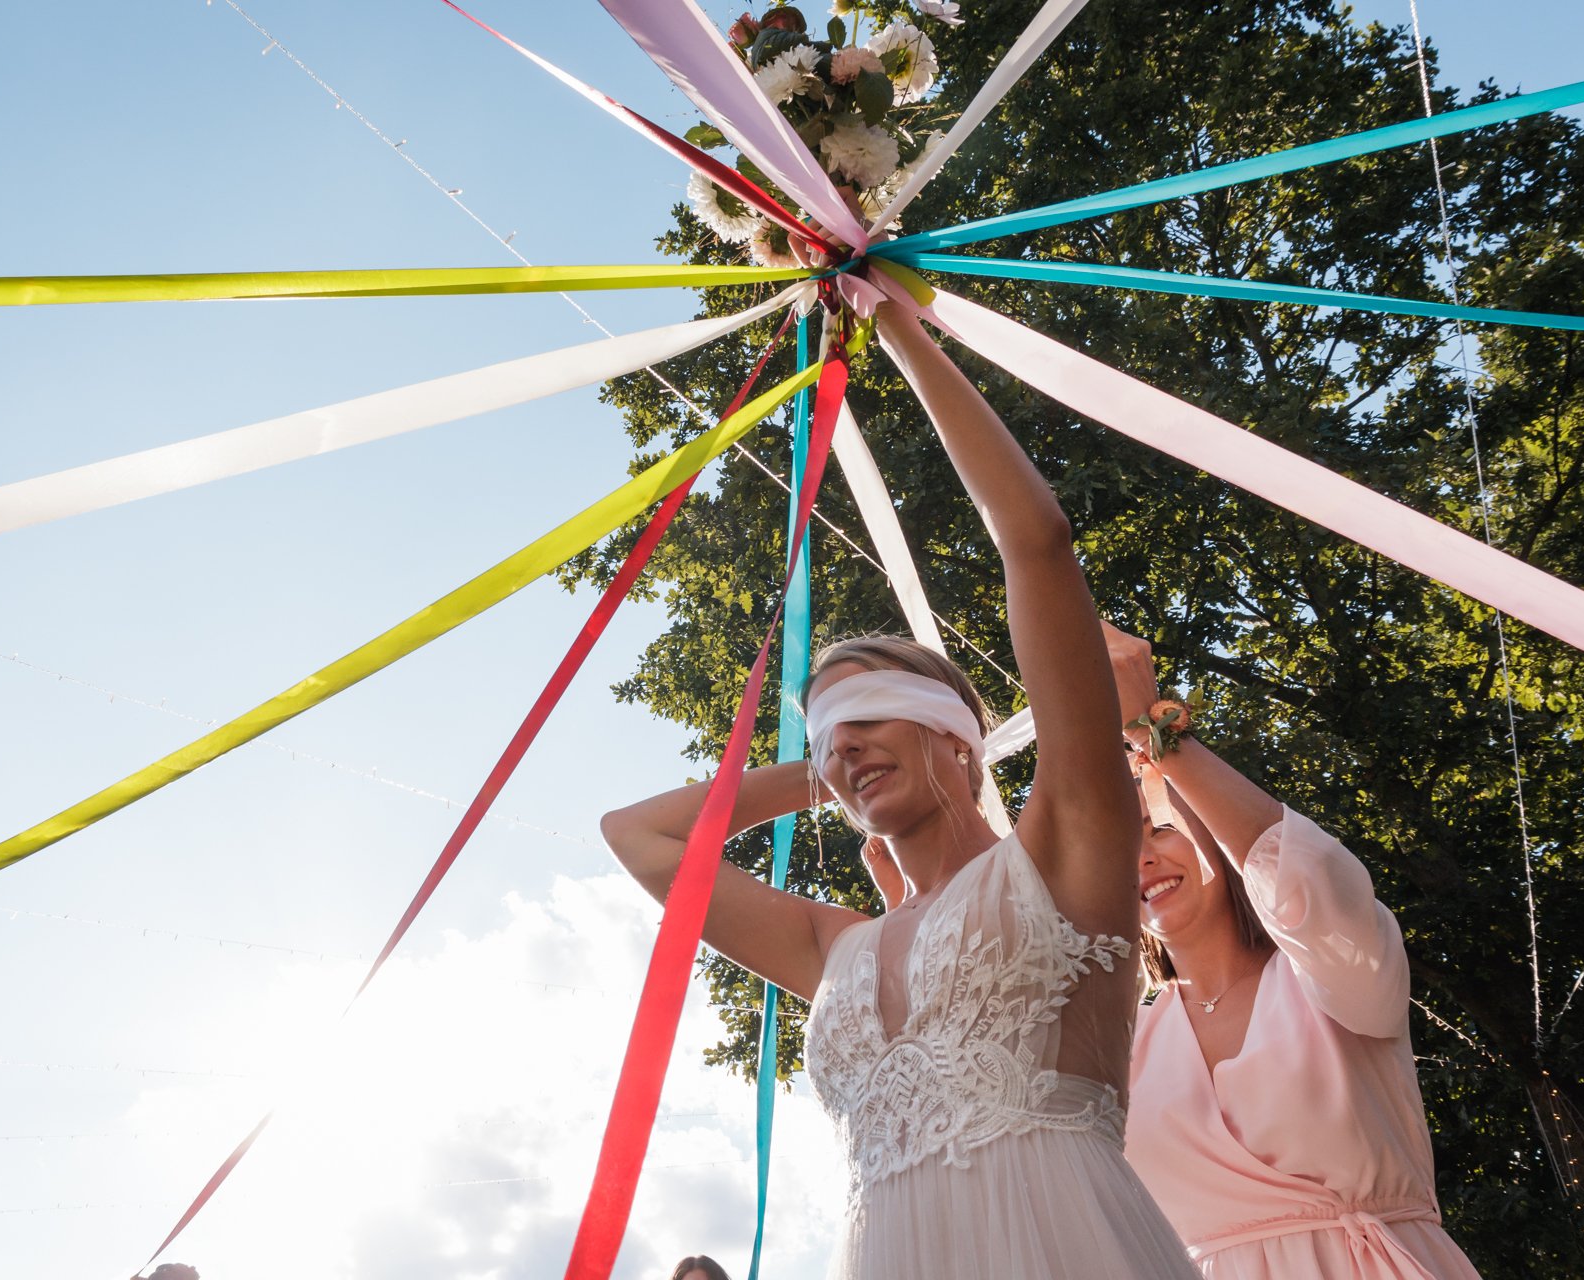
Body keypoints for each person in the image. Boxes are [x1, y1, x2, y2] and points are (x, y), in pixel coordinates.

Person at [602, 301, 1195, 1278]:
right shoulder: (832, 945)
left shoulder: (1063, 850)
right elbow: (639, 837)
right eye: (828, 732)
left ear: (956, 734)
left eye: (873, 711)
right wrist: (826, 769)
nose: (846, 740)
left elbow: (1038, 540)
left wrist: (901, 331)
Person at [1109, 628, 1482, 1279]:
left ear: (1217, 835)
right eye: (1119, 844)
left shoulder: (1331, 973)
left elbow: (1307, 878)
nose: (1140, 857)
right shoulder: (1123, 1046)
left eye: (1160, 827)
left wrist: (1152, 733)